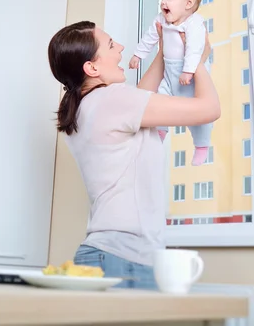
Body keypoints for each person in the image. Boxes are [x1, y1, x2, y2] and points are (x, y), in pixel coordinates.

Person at [47, 19, 220, 290]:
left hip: (106, 254)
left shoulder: (86, 107)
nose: (121, 48)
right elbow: (209, 109)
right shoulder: (113, 100)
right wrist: (196, 60)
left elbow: (139, 98)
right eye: (112, 45)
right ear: (92, 67)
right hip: (123, 257)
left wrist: (165, 52)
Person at [129, 0, 213, 166]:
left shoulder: (194, 23)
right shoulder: (162, 20)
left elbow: (194, 49)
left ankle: (201, 145)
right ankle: (160, 130)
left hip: (190, 75)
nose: (163, 2)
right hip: (168, 71)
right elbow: (151, 37)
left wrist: (189, 71)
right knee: (159, 99)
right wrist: (138, 55)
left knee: (198, 115)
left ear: (189, 3)